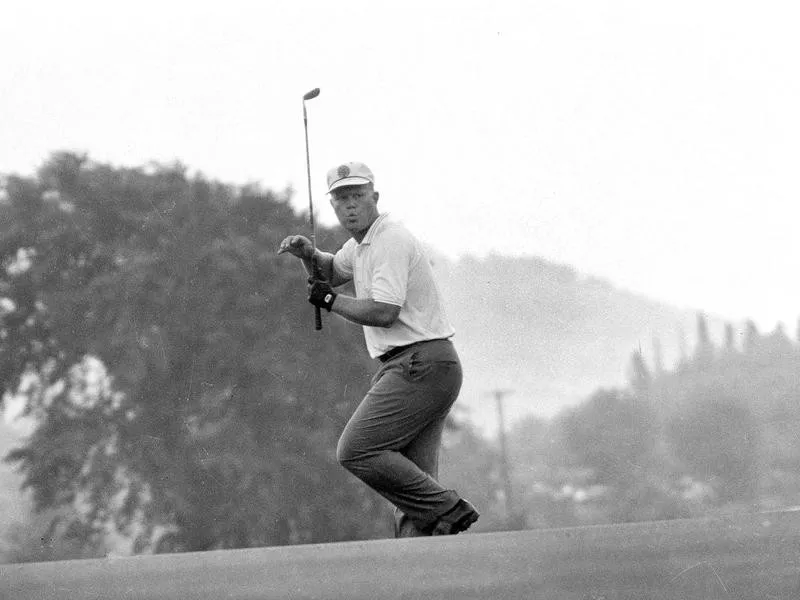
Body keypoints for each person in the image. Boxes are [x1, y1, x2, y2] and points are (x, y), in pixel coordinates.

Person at [278, 161, 479, 537]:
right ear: (333, 206)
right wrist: (309, 256)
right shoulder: (361, 246)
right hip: (426, 366)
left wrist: (330, 301)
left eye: (357, 195)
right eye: (341, 198)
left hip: (419, 364)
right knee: (413, 487)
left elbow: (384, 312)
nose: (350, 205)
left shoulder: (389, 239)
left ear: (375, 197)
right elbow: (331, 272)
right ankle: (421, 563)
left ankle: (450, 508)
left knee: (356, 449)